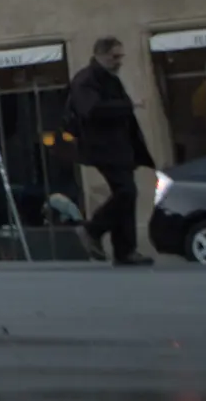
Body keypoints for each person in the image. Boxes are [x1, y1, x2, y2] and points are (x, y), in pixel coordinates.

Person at [67, 36, 156, 266]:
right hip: (103, 148)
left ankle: (125, 250)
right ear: (100, 54)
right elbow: (91, 110)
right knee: (126, 192)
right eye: (114, 57)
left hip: (119, 147)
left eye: (120, 57)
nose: (118, 62)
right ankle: (93, 230)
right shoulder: (86, 79)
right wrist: (129, 105)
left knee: (126, 193)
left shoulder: (108, 79)